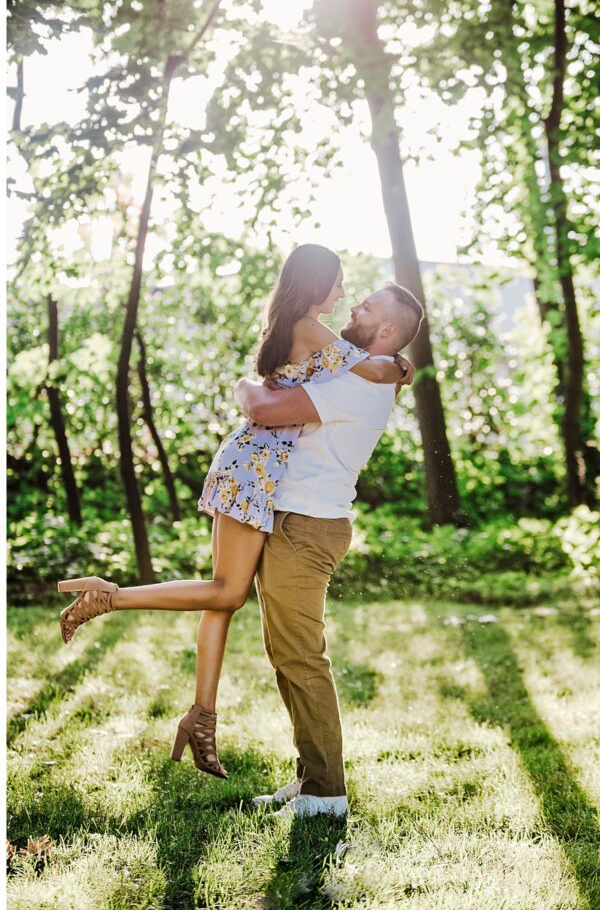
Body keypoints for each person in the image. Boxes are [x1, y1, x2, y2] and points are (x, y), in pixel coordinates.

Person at [56, 245, 410, 777]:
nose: (345, 299)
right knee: (226, 592)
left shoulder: (298, 330)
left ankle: (202, 715)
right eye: (339, 287)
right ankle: (109, 597)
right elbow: (370, 367)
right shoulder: (314, 332)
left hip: (256, 468)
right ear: (314, 287)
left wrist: (250, 386)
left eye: (356, 299)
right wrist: (400, 365)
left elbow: (309, 379)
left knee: (222, 597)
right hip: (255, 469)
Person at [232, 281, 424, 817]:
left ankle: (327, 794)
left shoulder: (361, 386)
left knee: (302, 656)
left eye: (366, 308)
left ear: (385, 331)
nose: (353, 307)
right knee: (286, 654)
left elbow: (267, 410)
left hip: (307, 525)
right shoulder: (362, 372)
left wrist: (244, 388)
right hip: (296, 519)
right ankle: (311, 777)